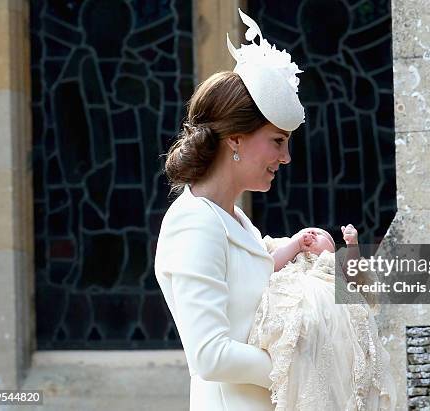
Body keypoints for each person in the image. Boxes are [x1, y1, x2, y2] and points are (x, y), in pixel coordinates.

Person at [154, 9, 305, 410]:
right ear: (236, 139)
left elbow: (254, 277)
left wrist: (306, 252)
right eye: (277, 141)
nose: (286, 157)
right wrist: (298, 365)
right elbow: (210, 355)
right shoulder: (193, 223)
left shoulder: (234, 219)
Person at [248, 225, 396, 410]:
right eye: (306, 232)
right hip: (302, 310)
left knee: (343, 369)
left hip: (337, 321)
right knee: (302, 337)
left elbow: (353, 279)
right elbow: (267, 267)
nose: (311, 234)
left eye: (320, 234)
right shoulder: (291, 256)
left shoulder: (333, 261)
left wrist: (352, 245)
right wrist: (295, 245)